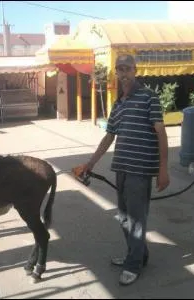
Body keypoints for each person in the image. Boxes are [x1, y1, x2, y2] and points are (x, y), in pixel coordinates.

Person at [74, 54, 170, 285]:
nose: (123, 73)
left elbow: (161, 133)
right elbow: (109, 136)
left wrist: (163, 169)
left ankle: (133, 265)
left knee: (136, 220)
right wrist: (91, 163)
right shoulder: (118, 103)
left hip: (140, 170)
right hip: (122, 169)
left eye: (127, 68)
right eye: (119, 69)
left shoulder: (149, 97)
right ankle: (137, 255)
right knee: (125, 218)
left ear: (136, 70)